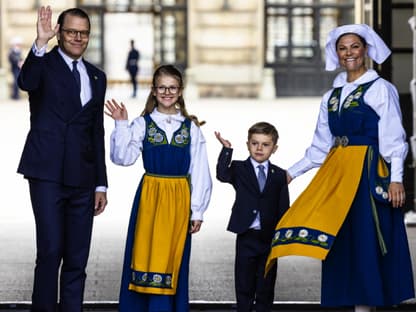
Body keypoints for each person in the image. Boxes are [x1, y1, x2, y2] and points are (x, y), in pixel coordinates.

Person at [265, 24, 414, 312]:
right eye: (342, 47)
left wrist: (396, 179)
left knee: (366, 240)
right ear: (336, 52)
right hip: (337, 174)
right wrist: (289, 173)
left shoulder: (381, 89)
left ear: (365, 49)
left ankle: (366, 306)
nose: (349, 53)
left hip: (368, 173)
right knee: (339, 238)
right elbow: (320, 147)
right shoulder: (331, 96)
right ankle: (349, 303)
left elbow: (395, 139)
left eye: (354, 46)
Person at [17, 6, 108, 312]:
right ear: (59, 30)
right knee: (50, 250)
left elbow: (97, 132)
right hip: (47, 173)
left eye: (83, 33)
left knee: (77, 256)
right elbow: (26, 83)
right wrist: (40, 43)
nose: (77, 38)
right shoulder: (44, 63)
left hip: (83, 177)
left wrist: (101, 185)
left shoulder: (97, 76)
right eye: (71, 31)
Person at [105, 64, 212, 311]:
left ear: (180, 91)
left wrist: (197, 210)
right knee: (145, 254)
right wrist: (122, 125)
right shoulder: (143, 124)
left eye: (172, 87)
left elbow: (200, 171)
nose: (167, 92)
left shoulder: (191, 128)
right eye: (162, 87)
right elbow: (123, 158)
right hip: (151, 197)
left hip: (179, 198)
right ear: (153, 91)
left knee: (172, 258)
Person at [215, 122, 289, 312]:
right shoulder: (239, 169)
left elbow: (283, 208)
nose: (259, 148)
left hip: (268, 239)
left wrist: (282, 236)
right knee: (244, 283)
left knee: (266, 285)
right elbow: (222, 175)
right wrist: (226, 150)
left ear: (274, 148)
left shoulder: (280, 175)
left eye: (265, 144)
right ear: (247, 144)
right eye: (255, 143)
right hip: (246, 235)